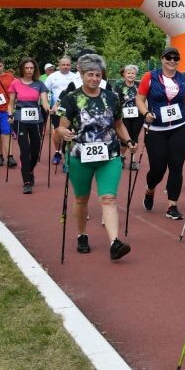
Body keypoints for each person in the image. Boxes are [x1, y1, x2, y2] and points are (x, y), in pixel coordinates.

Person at [56, 53, 136, 259]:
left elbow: (118, 124)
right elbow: (61, 126)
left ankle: (115, 242)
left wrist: (128, 141)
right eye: (90, 74)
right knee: (81, 198)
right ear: (82, 74)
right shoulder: (71, 98)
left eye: (98, 75)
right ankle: (82, 234)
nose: (94, 79)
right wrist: (63, 133)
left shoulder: (112, 97)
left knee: (108, 198)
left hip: (109, 155)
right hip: (80, 156)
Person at [136, 46, 185, 220]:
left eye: (176, 58)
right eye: (168, 57)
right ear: (162, 59)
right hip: (156, 129)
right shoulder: (150, 77)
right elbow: (140, 99)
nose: (172, 61)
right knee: (158, 168)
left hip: (180, 127)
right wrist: (145, 113)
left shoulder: (184, 80)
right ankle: (150, 189)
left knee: (176, 166)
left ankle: (172, 205)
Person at [7, 57, 51, 194]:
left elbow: (44, 102)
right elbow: (11, 103)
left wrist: (49, 109)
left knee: (35, 151)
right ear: (22, 69)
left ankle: (30, 170)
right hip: (20, 119)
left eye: (31, 68)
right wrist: (10, 115)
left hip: (36, 120)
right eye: (27, 68)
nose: (29, 70)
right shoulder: (15, 83)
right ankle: (26, 182)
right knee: (25, 150)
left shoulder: (40, 84)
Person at [45, 57, 81, 164]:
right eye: (63, 65)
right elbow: (44, 91)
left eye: (68, 65)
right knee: (57, 130)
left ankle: (68, 156)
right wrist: (48, 105)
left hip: (73, 109)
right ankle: (57, 152)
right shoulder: (52, 76)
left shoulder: (75, 77)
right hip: (59, 108)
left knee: (70, 131)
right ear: (59, 65)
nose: (66, 67)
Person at [114, 65, 143, 171]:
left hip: (138, 115)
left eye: (133, 73)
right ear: (124, 74)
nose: (130, 75)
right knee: (124, 137)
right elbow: (116, 100)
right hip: (124, 115)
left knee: (134, 136)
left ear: (136, 75)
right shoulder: (119, 85)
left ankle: (133, 161)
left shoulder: (139, 85)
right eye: (128, 73)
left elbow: (144, 98)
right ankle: (122, 156)